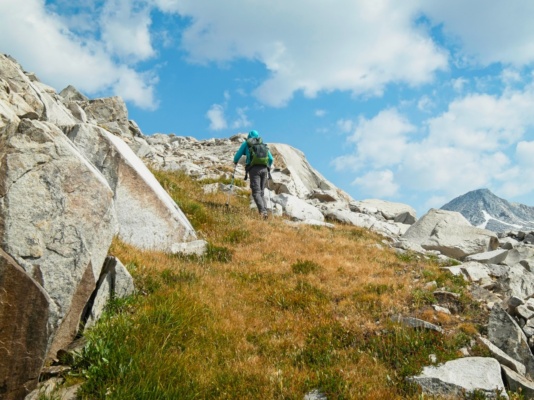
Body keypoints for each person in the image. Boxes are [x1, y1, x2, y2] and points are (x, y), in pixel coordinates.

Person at [233, 130, 274, 218]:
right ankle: (265, 211)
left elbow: (238, 155)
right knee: (261, 192)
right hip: (264, 169)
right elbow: (271, 159)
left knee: (256, 192)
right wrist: (268, 166)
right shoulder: (262, 144)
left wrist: (235, 161)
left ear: (248, 136)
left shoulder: (246, 143)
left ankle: (263, 212)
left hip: (254, 169)